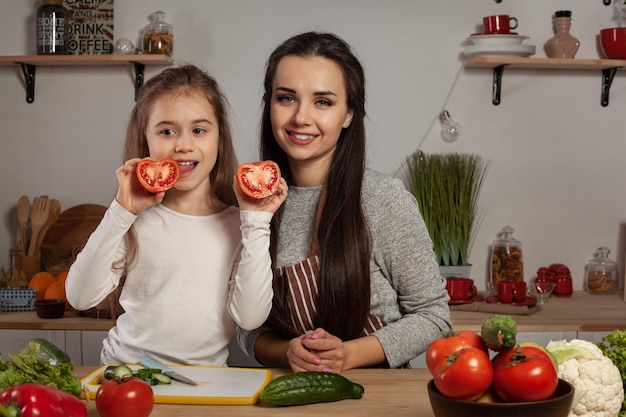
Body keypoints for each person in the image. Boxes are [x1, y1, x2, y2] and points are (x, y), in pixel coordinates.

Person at [237, 32, 451, 373]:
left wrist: (348, 355)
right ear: (270, 105)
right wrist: (288, 353)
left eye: (323, 102)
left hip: (377, 396)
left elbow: (434, 316)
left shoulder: (382, 199)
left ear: (349, 113)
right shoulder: (255, 206)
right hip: (291, 394)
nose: (301, 118)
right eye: (287, 98)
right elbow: (249, 327)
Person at [66, 65, 287, 366]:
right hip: (125, 374)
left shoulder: (241, 223)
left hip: (205, 383)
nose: (183, 145)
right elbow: (80, 297)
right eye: (167, 131)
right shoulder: (134, 218)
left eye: (199, 130)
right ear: (146, 139)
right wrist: (120, 212)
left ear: (219, 138)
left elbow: (249, 318)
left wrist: (257, 222)